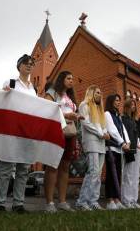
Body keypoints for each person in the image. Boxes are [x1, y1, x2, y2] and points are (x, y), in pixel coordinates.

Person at [0, 54, 37, 214]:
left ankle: (18, 203)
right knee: (6, 168)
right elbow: (2, 100)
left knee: (23, 169)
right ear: (19, 66)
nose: (29, 65)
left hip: (27, 132)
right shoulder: (10, 83)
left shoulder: (34, 88)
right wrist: (4, 93)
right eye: (26, 63)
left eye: (32, 63)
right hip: (11, 130)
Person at [44, 71, 83, 212]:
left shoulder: (70, 97)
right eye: (68, 78)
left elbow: (70, 112)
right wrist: (67, 115)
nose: (71, 80)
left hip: (70, 132)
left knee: (65, 166)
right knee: (53, 165)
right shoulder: (52, 92)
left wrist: (77, 116)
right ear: (61, 79)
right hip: (56, 130)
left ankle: (62, 201)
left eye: (73, 78)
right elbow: (47, 108)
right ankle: (49, 203)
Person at [75, 85, 109, 211]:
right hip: (91, 141)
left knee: (98, 173)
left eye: (101, 93)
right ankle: (82, 201)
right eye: (98, 92)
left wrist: (105, 132)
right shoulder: (84, 105)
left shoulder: (99, 109)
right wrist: (101, 133)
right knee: (92, 171)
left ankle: (93, 200)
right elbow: (86, 123)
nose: (100, 95)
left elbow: (102, 125)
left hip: (101, 143)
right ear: (91, 93)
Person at [104, 94, 130, 210]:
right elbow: (112, 130)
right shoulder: (107, 114)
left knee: (118, 173)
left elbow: (123, 130)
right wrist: (122, 143)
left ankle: (116, 199)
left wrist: (127, 142)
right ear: (111, 101)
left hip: (119, 149)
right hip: (111, 147)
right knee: (111, 173)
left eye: (119, 100)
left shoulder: (117, 115)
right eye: (116, 100)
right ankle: (110, 200)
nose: (118, 102)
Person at [121, 98, 140, 209]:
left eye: (134, 105)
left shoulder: (134, 120)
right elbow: (124, 134)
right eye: (131, 104)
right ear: (126, 106)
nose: (133, 106)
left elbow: (136, 136)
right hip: (128, 149)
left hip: (136, 149)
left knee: (136, 175)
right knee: (128, 175)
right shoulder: (123, 119)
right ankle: (126, 200)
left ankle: (134, 200)